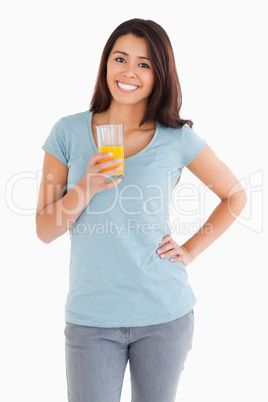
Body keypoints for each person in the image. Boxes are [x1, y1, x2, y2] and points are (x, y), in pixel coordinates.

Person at [36, 18, 247, 402]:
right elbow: (45, 230)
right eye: (120, 58)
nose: (129, 71)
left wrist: (190, 250)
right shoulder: (67, 132)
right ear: (106, 64)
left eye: (144, 64)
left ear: (158, 75)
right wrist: (86, 186)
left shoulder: (176, 138)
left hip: (164, 313)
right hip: (91, 318)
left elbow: (235, 196)